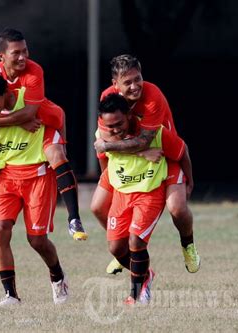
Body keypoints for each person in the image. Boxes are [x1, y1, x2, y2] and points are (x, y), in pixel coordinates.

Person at [0, 28, 87, 262]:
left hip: (46, 120)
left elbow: (31, 113)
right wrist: (14, 122)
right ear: (1, 56)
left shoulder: (34, 71)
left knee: (58, 156)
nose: (23, 57)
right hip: (7, 133)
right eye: (16, 53)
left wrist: (7, 120)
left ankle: (74, 218)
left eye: (25, 50)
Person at [92, 54, 200, 274]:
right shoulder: (108, 99)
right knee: (97, 207)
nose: (135, 86)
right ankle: (122, 251)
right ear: (115, 85)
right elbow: (108, 140)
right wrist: (138, 154)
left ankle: (188, 245)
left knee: (177, 208)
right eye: (128, 82)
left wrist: (190, 181)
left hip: (164, 156)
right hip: (133, 159)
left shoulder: (152, 96)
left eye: (137, 78)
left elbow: (143, 141)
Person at [0, 73, 69, 306]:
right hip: (8, 177)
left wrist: (61, 147)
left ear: (7, 94)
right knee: (1, 230)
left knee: (37, 241)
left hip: (38, 177)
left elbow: (59, 116)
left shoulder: (33, 104)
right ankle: (10, 294)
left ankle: (57, 276)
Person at [98, 93, 193, 304]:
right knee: (115, 248)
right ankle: (146, 274)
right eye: (110, 126)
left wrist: (190, 180)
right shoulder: (103, 136)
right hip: (122, 193)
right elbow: (104, 156)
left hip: (149, 192)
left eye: (119, 123)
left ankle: (136, 294)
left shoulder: (157, 133)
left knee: (136, 241)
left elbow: (181, 151)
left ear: (130, 115)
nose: (115, 129)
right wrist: (142, 154)